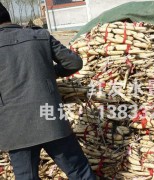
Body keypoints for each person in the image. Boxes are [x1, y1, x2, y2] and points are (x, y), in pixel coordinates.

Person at [0, 3, 96, 180]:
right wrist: (50, 72)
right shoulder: (39, 35)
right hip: (50, 119)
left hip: (15, 128)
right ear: (8, 17)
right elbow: (74, 63)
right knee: (79, 172)